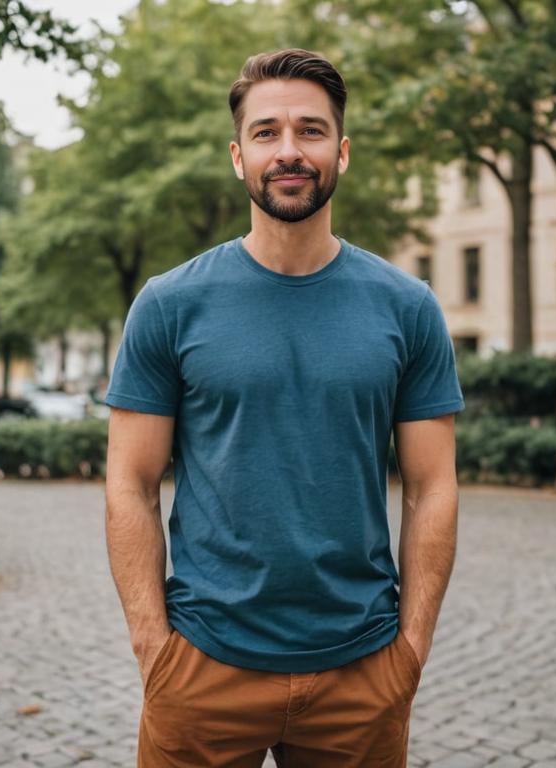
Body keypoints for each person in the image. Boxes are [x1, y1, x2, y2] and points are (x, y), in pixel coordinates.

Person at [105, 48, 464, 768]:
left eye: (311, 130)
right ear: (238, 157)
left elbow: (433, 487)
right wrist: (155, 650)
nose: (290, 151)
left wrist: (411, 650)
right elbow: (130, 484)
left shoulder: (407, 308)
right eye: (267, 133)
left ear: (342, 151)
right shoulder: (170, 305)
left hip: (361, 669)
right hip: (205, 666)